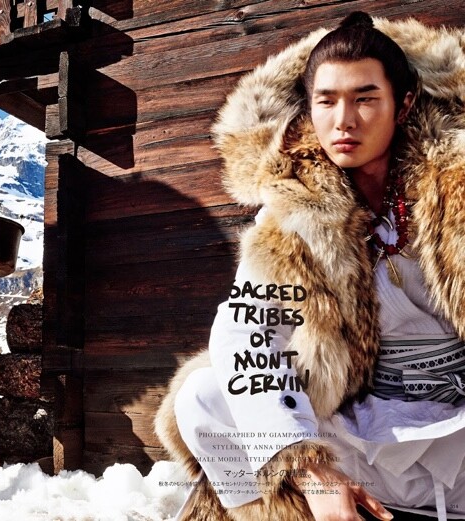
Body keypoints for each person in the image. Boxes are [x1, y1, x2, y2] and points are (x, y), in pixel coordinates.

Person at [156, 12, 465, 521]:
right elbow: (245, 333)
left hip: (458, 435)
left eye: (365, 98)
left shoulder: (454, 187)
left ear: (404, 104)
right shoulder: (291, 216)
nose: (344, 120)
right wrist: (307, 467)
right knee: (204, 398)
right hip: (365, 442)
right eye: (326, 101)